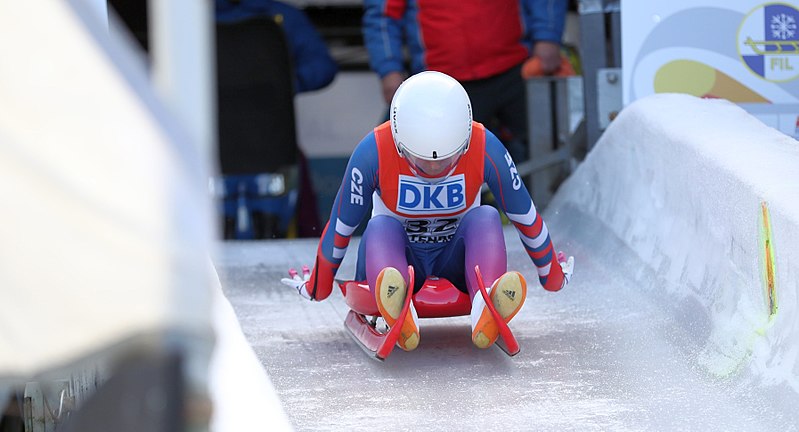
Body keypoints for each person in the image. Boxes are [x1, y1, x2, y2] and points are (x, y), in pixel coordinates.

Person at [282, 71, 574, 351]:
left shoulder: (485, 146)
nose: (434, 168)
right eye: (421, 161)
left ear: (464, 141)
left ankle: (486, 299)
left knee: (485, 216)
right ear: (399, 143)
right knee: (381, 227)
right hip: (397, 259)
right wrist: (317, 287)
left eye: (446, 160)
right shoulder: (373, 151)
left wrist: (551, 274)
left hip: (457, 264)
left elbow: (523, 213)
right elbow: (341, 225)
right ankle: (396, 299)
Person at [362, 0, 569, 162]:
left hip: (516, 70)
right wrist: (389, 69)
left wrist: (548, 36)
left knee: (554, 156)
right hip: (440, 84)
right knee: (386, 156)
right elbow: (382, 15)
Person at [216, 0, 338, 94]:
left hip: (266, 116)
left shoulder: (284, 15)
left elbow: (322, 66)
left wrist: (284, 83)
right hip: (203, 116)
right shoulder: (199, 16)